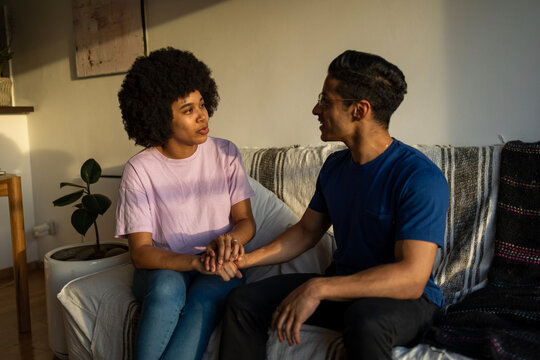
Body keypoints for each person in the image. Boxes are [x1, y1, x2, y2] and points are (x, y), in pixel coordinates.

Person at [217, 50, 450, 359]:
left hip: (407, 301)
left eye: (326, 100)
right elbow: (306, 232)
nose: (316, 109)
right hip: (343, 288)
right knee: (242, 301)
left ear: (359, 110)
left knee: (365, 320)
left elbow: (411, 278)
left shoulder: (419, 177)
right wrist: (246, 260)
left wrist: (319, 288)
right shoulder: (335, 166)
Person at [115, 47, 256, 360]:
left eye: (202, 104)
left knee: (207, 295)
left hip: (218, 264)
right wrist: (194, 262)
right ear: (160, 116)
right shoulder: (140, 170)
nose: (203, 116)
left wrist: (227, 242)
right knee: (167, 288)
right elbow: (140, 253)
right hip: (163, 268)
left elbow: (246, 222)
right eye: (188, 110)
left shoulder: (226, 154)